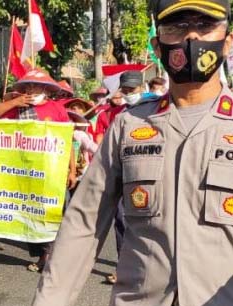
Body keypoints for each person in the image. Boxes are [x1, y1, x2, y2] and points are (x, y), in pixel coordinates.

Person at [32, 0, 233, 305]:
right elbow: (83, 224)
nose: (191, 37)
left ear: (227, 42)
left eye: (205, 26)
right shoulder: (129, 125)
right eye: (176, 27)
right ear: (158, 44)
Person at [0, 69, 77, 273]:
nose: (31, 89)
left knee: (53, 211)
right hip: (24, 171)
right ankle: (43, 254)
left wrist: (71, 170)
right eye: (28, 86)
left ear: (45, 89)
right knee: (31, 212)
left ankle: (51, 256)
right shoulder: (17, 107)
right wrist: (13, 103)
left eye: (36, 86)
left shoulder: (56, 109)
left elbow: (67, 140)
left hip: (52, 170)